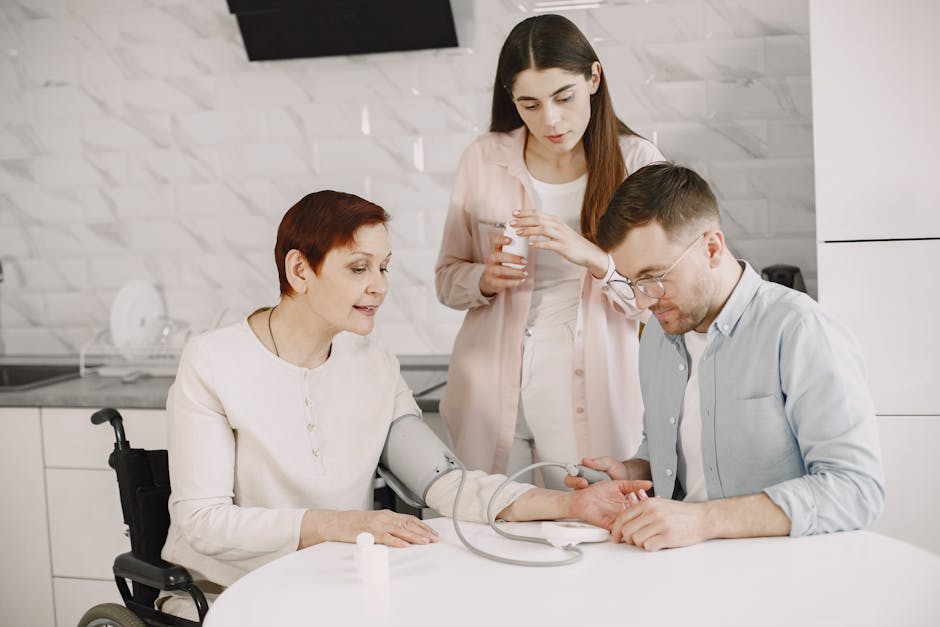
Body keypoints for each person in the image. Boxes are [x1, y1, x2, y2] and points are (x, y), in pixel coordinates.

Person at [158, 190, 651, 618]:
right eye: (358, 268)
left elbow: (447, 484)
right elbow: (200, 522)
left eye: (383, 267)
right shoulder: (214, 362)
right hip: (226, 594)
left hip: (334, 588)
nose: (379, 286)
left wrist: (571, 504)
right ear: (299, 270)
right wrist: (340, 524)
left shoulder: (373, 364)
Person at [564, 162, 885, 551]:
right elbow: (670, 454)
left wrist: (703, 520)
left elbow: (857, 489)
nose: (644, 299)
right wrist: (632, 470)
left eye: (654, 277)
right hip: (685, 569)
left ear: (712, 248)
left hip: (784, 577)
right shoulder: (659, 335)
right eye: (633, 283)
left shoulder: (800, 330)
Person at [435, 14, 664, 489]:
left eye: (564, 97)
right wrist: (483, 278)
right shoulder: (484, 158)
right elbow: (446, 280)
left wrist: (592, 257)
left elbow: (658, 300)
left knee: (594, 525)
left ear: (593, 79)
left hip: (593, 386)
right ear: (510, 100)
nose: (551, 120)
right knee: (492, 529)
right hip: (491, 388)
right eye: (530, 104)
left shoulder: (638, 164)